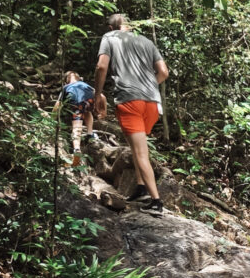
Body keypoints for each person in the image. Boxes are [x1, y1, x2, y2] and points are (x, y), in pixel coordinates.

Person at [94, 14, 169, 217]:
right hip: (152, 103)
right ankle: (140, 188)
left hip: (129, 100)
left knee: (140, 153)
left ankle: (156, 201)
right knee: (138, 147)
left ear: (111, 27)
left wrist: (98, 93)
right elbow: (163, 72)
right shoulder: (145, 41)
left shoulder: (110, 38)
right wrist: (149, 87)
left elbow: (102, 66)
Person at [54, 71, 96, 168]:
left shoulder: (66, 87)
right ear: (79, 78)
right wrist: (103, 109)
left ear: (66, 81)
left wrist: (52, 118)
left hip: (76, 100)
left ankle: (77, 149)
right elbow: (101, 96)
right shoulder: (86, 85)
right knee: (88, 111)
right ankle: (90, 134)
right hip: (90, 98)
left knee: (77, 125)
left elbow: (57, 105)